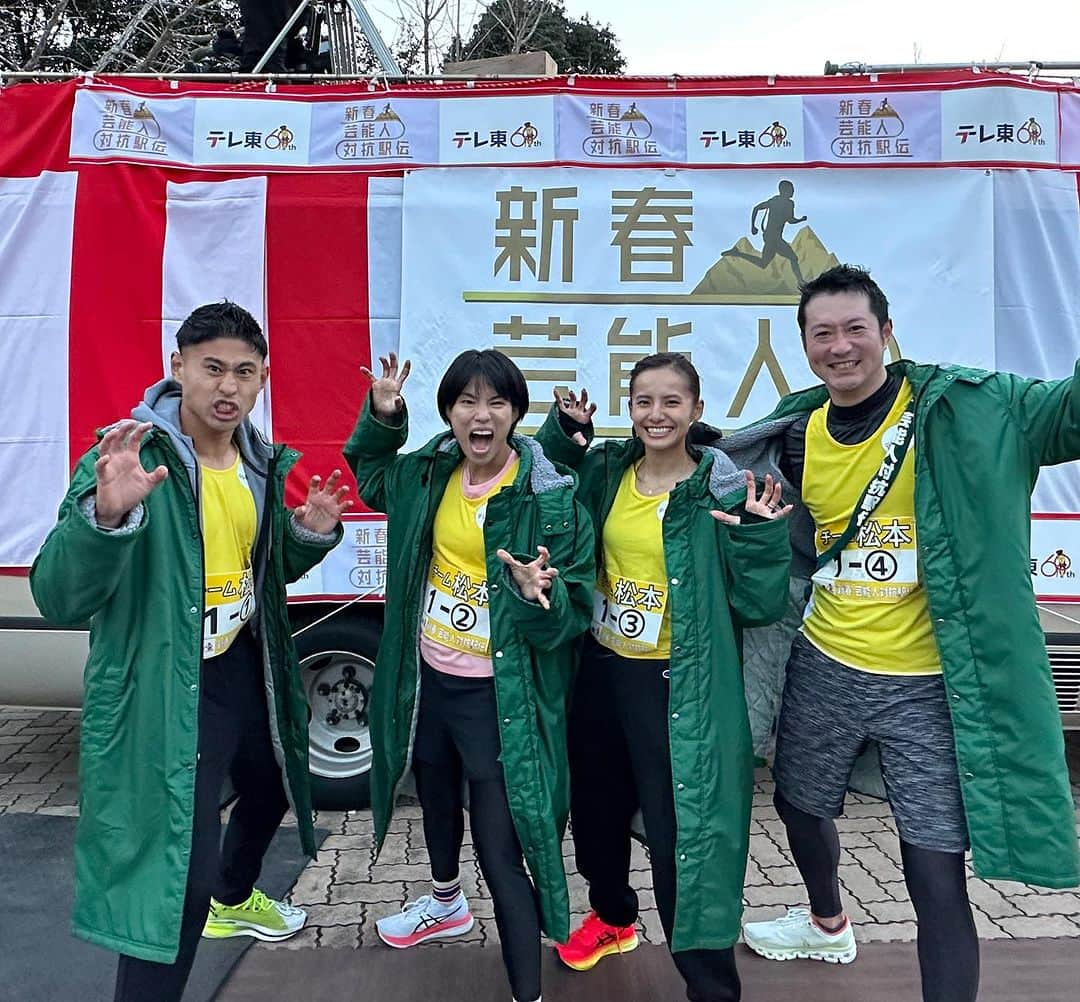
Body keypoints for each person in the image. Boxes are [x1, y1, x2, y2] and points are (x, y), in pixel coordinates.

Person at [720, 264, 1080, 1002]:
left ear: (887, 333)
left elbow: (1069, 415)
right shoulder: (797, 431)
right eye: (823, 334)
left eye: (856, 329)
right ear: (805, 346)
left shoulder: (972, 410)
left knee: (933, 867)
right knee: (796, 800)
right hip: (825, 662)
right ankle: (828, 924)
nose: (841, 346)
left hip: (928, 685)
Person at [30, 302, 348, 1002]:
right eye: (212, 369)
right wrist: (104, 517)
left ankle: (235, 898)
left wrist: (306, 536)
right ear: (178, 369)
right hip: (169, 682)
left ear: (262, 379)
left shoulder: (256, 461)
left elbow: (252, 571)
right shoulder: (132, 455)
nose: (228, 388)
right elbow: (58, 593)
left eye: (244, 372)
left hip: (243, 664)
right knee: (175, 882)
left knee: (274, 785)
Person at [535, 352, 793, 1002]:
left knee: (684, 838)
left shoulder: (723, 491)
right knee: (595, 813)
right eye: (644, 401)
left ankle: (710, 985)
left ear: (697, 411)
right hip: (602, 672)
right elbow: (547, 480)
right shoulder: (607, 473)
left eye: (672, 401)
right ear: (630, 409)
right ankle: (614, 919)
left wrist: (760, 543)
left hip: (680, 686)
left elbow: (759, 605)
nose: (657, 414)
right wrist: (560, 430)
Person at [344, 350, 594, 1002]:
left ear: (516, 414)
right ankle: (446, 903)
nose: (481, 416)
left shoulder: (550, 501)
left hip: (498, 697)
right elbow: (370, 476)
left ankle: (526, 992)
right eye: (466, 402)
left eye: (497, 403)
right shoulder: (429, 475)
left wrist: (541, 594)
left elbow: (574, 612)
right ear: (449, 411)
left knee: (499, 846)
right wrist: (384, 413)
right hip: (429, 679)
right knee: (431, 787)